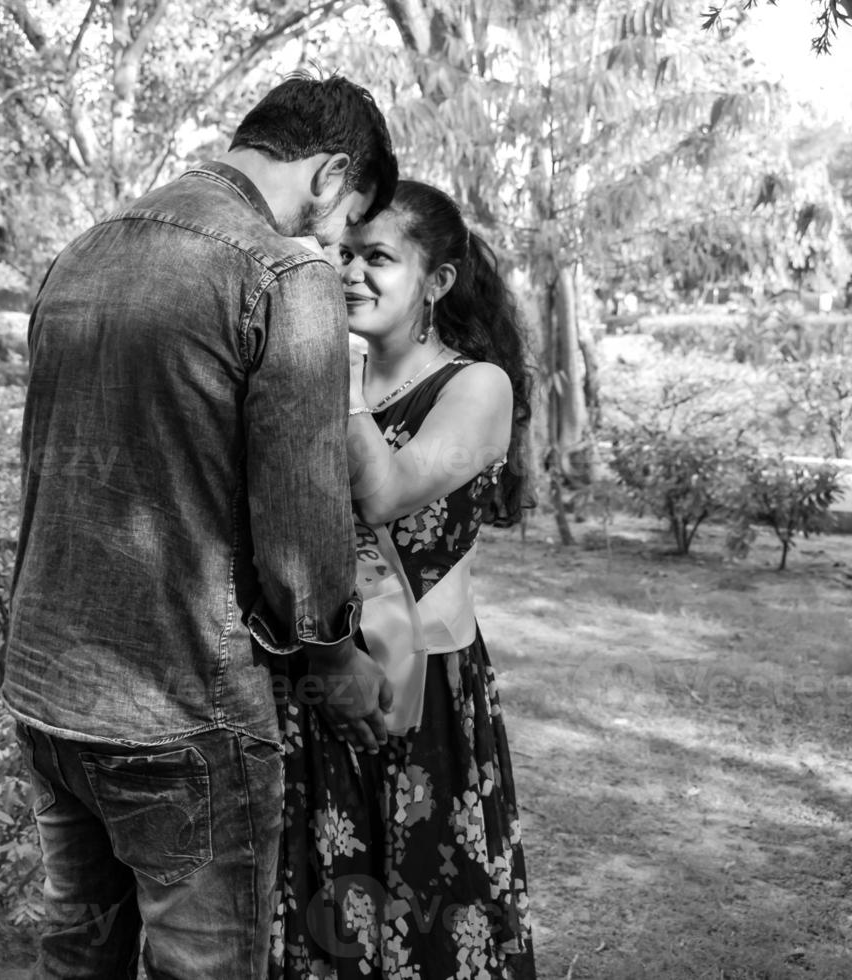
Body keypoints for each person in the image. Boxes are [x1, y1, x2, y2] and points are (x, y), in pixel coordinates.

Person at [1, 74, 398, 980]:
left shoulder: (86, 249)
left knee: (77, 960)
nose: (333, 249)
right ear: (332, 175)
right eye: (345, 226)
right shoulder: (280, 271)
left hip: (47, 689)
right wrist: (336, 657)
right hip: (181, 708)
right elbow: (301, 518)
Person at [271, 180, 536, 978]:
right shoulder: (312, 375)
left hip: (421, 694)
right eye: (341, 253)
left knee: (424, 913)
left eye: (377, 257)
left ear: (439, 280)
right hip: (311, 678)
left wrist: (337, 381)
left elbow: (385, 488)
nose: (349, 273)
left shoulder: (476, 387)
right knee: (317, 908)